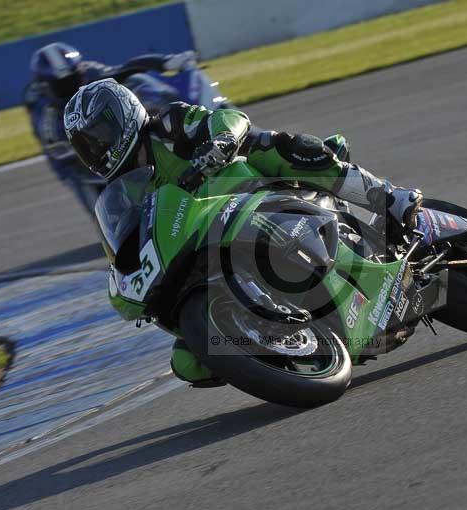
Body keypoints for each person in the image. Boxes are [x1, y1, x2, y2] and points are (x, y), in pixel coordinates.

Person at [64, 79, 422, 386]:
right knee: (187, 362)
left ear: (123, 113)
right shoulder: (124, 189)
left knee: (275, 146)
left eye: (99, 135)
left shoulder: (168, 126)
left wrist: (220, 141)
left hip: (253, 190)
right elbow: (127, 241)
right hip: (211, 242)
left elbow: (231, 119)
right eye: (86, 145)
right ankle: (272, 339)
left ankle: (389, 197)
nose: (97, 148)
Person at [24, 42, 195, 211]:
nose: (71, 87)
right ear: (45, 86)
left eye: (73, 78)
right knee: (102, 208)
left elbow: (124, 70)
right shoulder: (44, 112)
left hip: (105, 140)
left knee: (138, 81)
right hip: (75, 165)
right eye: (61, 85)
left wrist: (164, 62)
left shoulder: (88, 71)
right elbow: (59, 151)